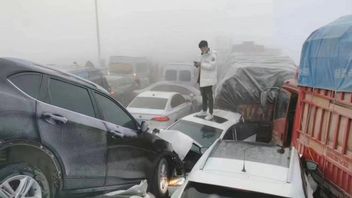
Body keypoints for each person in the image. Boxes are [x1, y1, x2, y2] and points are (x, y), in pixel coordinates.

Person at [194, 40, 217, 120]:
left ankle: (210, 113)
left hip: (208, 79)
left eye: (202, 48)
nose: (201, 50)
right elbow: (202, 64)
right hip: (201, 78)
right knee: (203, 95)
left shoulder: (212, 55)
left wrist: (201, 64)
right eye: (200, 49)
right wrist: (198, 64)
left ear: (205, 47)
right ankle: (204, 110)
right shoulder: (203, 54)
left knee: (209, 96)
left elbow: (211, 67)